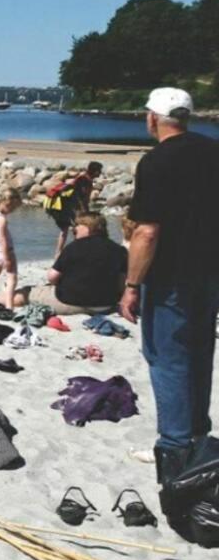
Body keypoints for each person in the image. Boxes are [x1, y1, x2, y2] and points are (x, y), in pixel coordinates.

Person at [119, 87, 219, 480]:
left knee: (166, 358)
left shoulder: (156, 162)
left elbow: (146, 233)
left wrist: (131, 284)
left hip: (170, 274)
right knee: (198, 352)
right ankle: (196, 434)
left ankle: (175, 447)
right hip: (209, 271)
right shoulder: (214, 152)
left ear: (153, 118)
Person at [13, 212, 127, 315]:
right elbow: (121, 283)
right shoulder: (119, 250)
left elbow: (52, 278)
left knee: (26, 293)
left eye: (78, 225)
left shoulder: (73, 248)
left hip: (70, 302)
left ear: (89, 227)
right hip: (106, 304)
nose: (74, 229)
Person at [44, 161, 103, 259]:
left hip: (64, 207)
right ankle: (76, 251)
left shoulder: (84, 178)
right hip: (67, 208)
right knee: (79, 229)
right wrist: (85, 212)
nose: (100, 173)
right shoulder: (84, 180)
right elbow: (80, 198)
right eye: (99, 171)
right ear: (95, 171)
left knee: (66, 230)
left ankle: (59, 253)